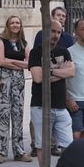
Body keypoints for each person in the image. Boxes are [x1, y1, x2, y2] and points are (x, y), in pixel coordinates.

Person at [29, 16, 76, 159]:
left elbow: (72, 72)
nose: (55, 35)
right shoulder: (36, 52)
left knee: (69, 146)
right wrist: (62, 72)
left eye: (59, 32)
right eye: (53, 31)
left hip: (61, 107)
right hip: (40, 106)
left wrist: (49, 71)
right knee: (42, 146)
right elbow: (37, 78)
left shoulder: (64, 52)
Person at [0, 15, 29, 164]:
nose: (15, 25)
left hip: (18, 81)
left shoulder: (23, 43)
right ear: (8, 25)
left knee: (18, 114)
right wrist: (18, 64)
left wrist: (11, 61)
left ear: (20, 26)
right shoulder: (1, 40)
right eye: (12, 23)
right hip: (4, 79)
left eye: (17, 23)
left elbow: (29, 63)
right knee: (3, 113)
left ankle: (19, 151)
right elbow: (1, 61)